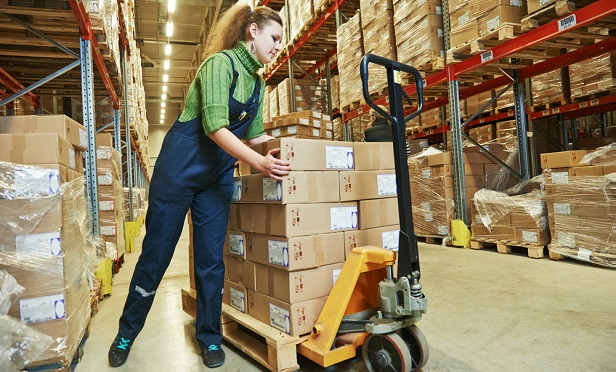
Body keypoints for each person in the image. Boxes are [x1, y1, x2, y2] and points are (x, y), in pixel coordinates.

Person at [107, 5, 290, 369]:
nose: (278, 48)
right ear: (252, 31)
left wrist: (282, 147)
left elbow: (253, 137)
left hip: (215, 179)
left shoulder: (258, 83)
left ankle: (209, 337)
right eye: (274, 38)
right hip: (177, 173)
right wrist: (259, 163)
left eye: (281, 42)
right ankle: (126, 332)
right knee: (155, 258)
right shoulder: (218, 66)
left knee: (210, 262)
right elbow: (214, 127)